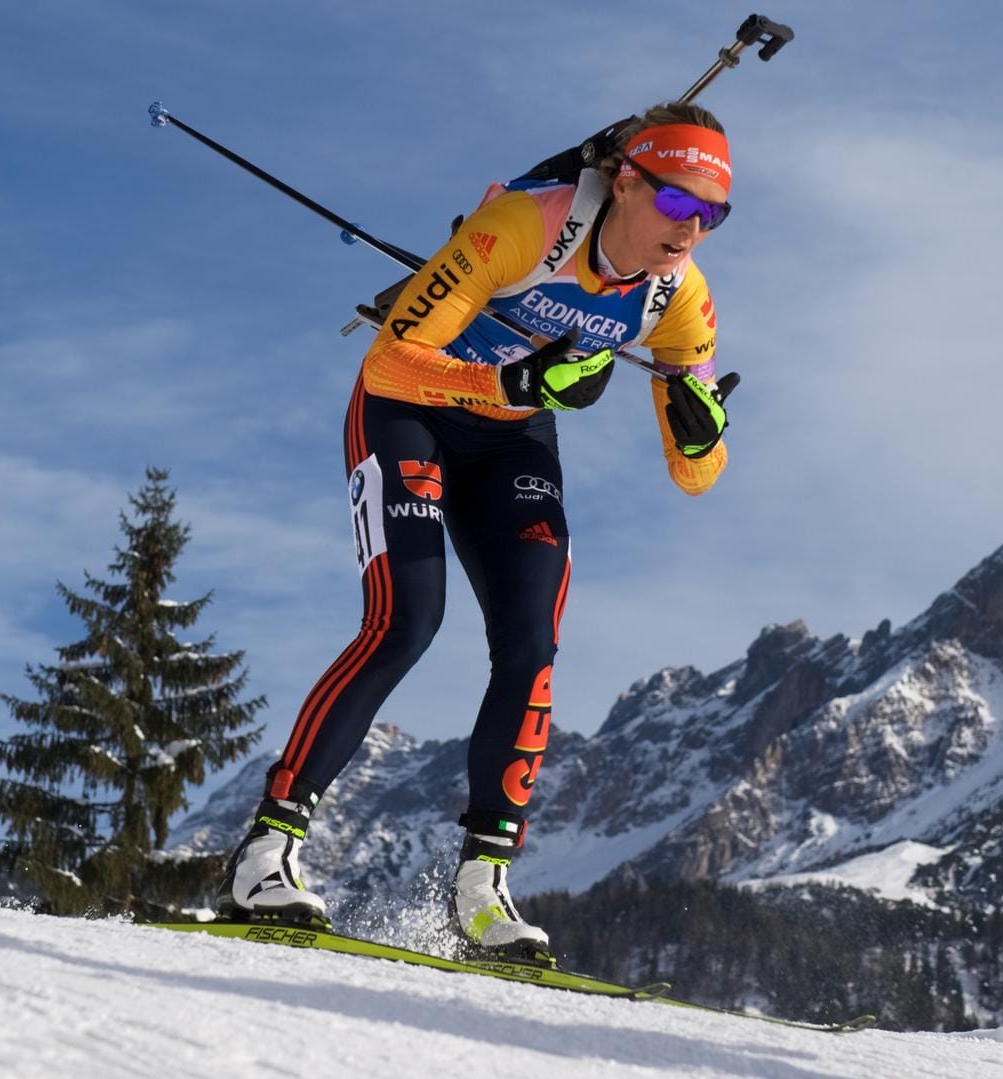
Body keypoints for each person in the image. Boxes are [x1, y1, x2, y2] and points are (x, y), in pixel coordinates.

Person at [216, 102, 737, 960]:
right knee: (407, 618)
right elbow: (390, 358)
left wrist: (700, 431)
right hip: (409, 412)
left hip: (514, 437)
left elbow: (696, 476)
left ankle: (481, 887)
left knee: (531, 642)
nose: (693, 231)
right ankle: (266, 850)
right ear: (631, 181)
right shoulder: (524, 226)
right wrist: (518, 379)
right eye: (680, 204)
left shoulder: (679, 298)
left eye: (714, 215)